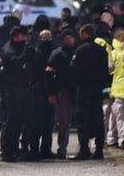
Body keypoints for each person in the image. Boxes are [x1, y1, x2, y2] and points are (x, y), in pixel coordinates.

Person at [70, 24, 109, 160]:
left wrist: (74, 87)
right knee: (98, 120)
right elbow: (106, 72)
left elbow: (74, 71)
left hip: (84, 90)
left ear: (85, 34)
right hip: (97, 90)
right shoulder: (102, 51)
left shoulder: (80, 51)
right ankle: (99, 150)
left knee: (83, 120)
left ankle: (84, 150)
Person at [0, 26, 34, 162]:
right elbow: (15, 62)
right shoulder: (8, 49)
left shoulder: (20, 48)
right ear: (16, 37)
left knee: (22, 120)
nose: (25, 39)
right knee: (12, 121)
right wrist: (26, 53)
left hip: (24, 88)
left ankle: (16, 149)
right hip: (12, 90)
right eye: (22, 36)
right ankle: (8, 150)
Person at [46, 29, 78, 159]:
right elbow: (49, 73)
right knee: (63, 120)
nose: (68, 39)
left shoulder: (77, 52)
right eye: (66, 37)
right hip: (63, 90)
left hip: (75, 90)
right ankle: (62, 148)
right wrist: (52, 92)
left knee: (71, 120)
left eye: (71, 37)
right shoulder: (57, 54)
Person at [29, 29, 56, 160]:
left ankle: (46, 149)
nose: (46, 40)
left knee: (48, 123)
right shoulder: (36, 53)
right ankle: (34, 149)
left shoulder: (53, 52)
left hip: (50, 91)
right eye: (43, 37)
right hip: (39, 91)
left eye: (48, 37)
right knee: (37, 123)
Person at [105, 27, 124, 147]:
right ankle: (120, 138)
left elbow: (109, 69)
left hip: (116, 87)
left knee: (115, 115)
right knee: (121, 116)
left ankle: (112, 138)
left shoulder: (113, 53)